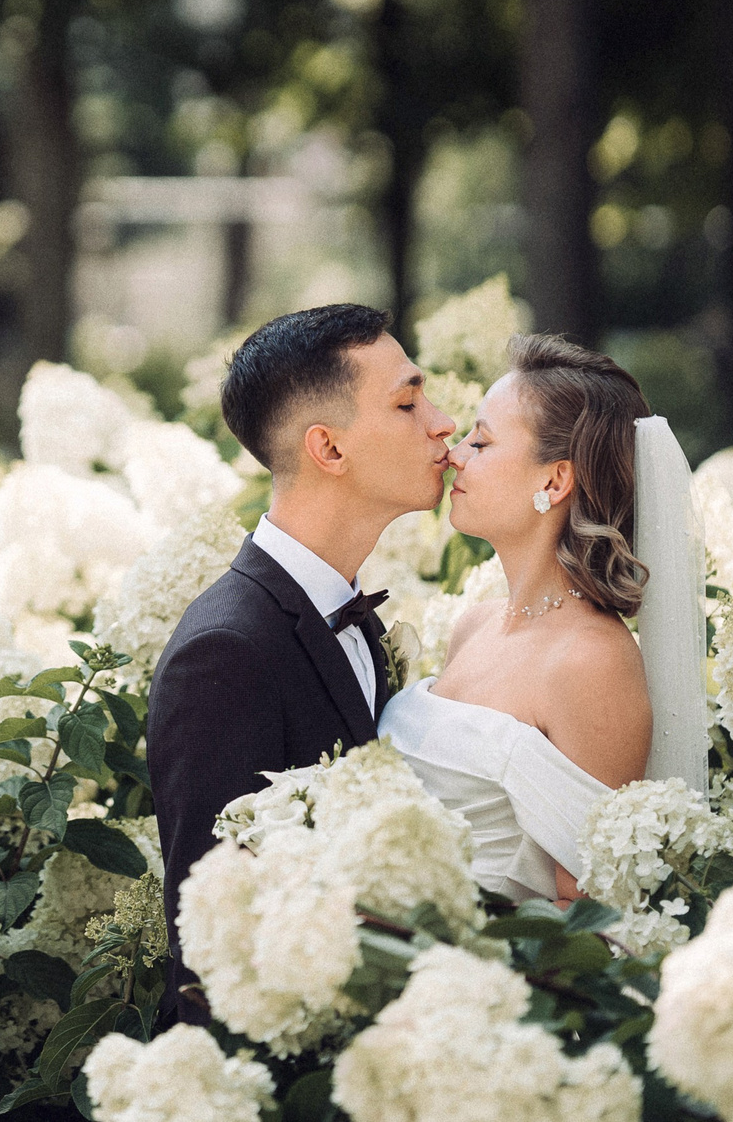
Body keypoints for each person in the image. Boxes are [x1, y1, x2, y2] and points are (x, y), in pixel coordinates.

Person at [145, 304, 458, 1025]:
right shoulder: (224, 653)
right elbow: (211, 949)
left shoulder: (355, 618)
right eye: (408, 402)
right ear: (329, 448)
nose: (442, 422)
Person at [375, 334, 669, 903]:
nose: (455, 454)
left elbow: (587, 911)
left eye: (481, 443)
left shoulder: (593, 661)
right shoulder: (473, 626)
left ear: (554, 481)